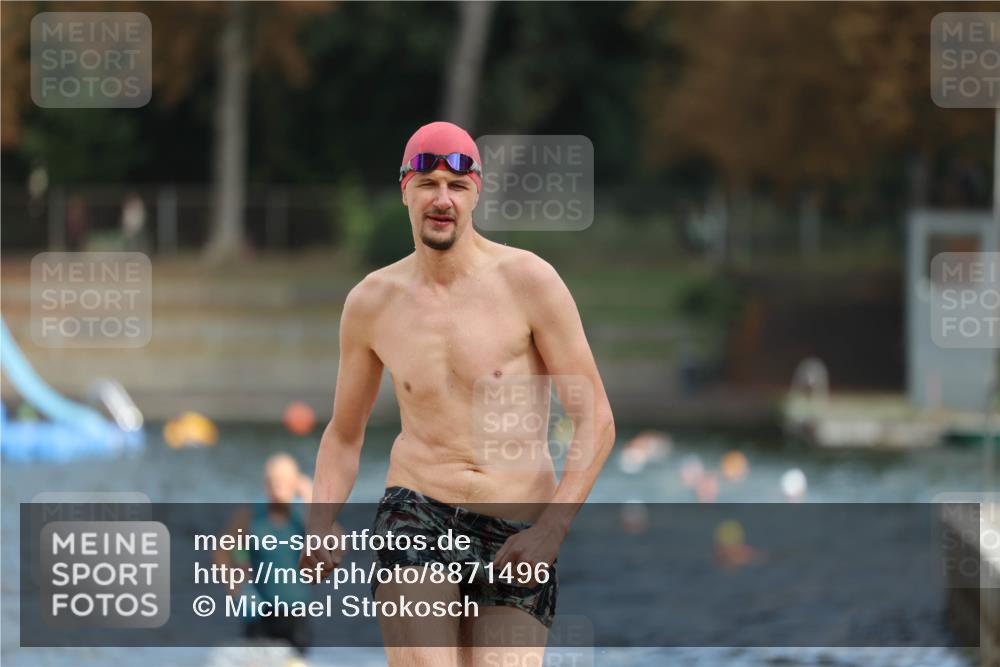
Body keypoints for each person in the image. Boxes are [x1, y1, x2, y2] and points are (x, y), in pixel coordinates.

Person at [299, 121, 616, 666]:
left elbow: (597, 421)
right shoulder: (372, 302)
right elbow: (344, 434)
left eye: (456, 185)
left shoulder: (530, 282)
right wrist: (320, 521)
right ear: (404, 190)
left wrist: (551, 531)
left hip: (517, 526)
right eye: (428, 184)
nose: (441, 198)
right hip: (416, 511)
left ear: (477, 193)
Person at [216, 453, 319, 662]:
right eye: (274, 482)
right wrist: (235, 588)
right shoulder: (251, 513)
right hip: (260, 611)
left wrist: (311, 499)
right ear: (266, 484)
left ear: (295, 483)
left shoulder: (304, 513)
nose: (278, 488)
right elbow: (221, 552)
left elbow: (336, 545)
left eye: (284, 482)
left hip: (296, 613)